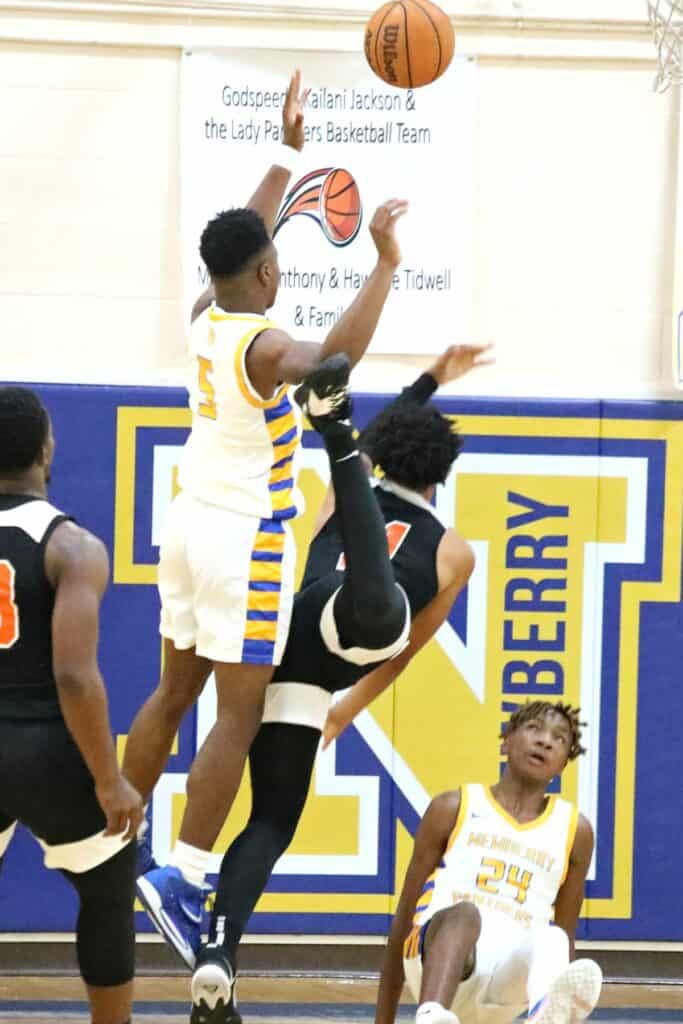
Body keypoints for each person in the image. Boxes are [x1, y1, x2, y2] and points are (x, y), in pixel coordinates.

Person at [125, 68, 408, 967]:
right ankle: (184, 873)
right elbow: (332, 359)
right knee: (236, 718)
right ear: (269, 271)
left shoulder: (208, 313)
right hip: (244, 543)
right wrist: (386, 264)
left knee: (175, 691)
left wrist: (287, 152)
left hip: (187, 526)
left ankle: (113, 843)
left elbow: (241, 238)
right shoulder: (264, 343)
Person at [184, 344, 493, 1023]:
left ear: (381, 456)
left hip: (294, 652)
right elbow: (406, 650)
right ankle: (336, 430)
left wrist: (431, 379)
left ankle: (217, 951)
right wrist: (350, 709)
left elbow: (392, 435)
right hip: (351, 632)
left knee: (272, 820)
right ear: (442, 474)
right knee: (379, 608)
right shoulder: (451, 549)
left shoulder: (337, 501)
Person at [0, 386, 143, 1024]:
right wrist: (109, 782)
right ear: (47, 447)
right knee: (108, 890)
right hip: (48, 751)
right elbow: (75, 677)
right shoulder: (72, 548)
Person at [376, 701, 602, 1024]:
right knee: (465, 914)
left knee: (554, 939)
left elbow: (566, 932)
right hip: (439, 961)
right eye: (534, 728)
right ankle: (432, 1015)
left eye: (560, 738)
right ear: (506, 739)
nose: (545, 741)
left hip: (506, 983)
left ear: (563, 764)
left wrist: (558, 987)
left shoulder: (575, 831)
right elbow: (403, 919)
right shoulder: (453, 806)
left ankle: (544, 1015)